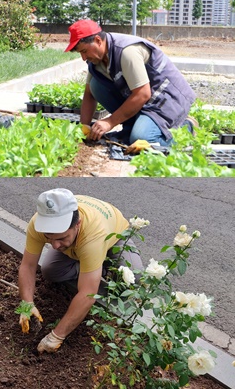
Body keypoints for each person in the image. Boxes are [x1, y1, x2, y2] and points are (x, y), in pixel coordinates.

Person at [17, 188, 142, 354]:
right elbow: (28, 266)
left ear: (78, 224)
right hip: (83, 245)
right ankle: (94, 267)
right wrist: (27, 304)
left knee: (134, 278)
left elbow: (88, 294)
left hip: (112, 235)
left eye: (61, 238)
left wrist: (56, 335)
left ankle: (98, 264)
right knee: (50, 271)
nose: (54, 246)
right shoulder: (37, 224)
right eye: (49, 238)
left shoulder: (93, 235)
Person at [66, 20, 197, 154]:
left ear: (98, 40)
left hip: (165, 99)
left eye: (84, 51)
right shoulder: (96, 59)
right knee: (95, 85)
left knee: (142, 139)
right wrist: (84, 126)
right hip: (144, 100)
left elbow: (143, 94)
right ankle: (132, 127)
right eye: (80, 53)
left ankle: (187, 128)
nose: (83, 58)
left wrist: (110, 122)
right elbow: (89, 93)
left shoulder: (126, 51)